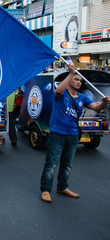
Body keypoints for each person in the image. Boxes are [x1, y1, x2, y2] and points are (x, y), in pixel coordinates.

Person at [40, 64, 110, 203]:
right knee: (51, 164)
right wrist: (71, 73)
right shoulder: (62, 94)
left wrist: (104, 103)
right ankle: (46, 190)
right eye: (76, 79)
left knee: (67, 164)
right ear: (70, 79)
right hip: (57, 134)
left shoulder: (83, 98)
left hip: (72, 135)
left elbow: (96, 108)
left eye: (80, 81)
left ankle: (62, 187)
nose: (79, 82)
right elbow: (58, 91)